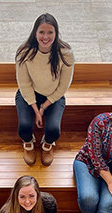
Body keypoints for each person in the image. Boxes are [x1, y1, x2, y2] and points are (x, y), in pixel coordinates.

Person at [15, 13, 74, 166]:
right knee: (24, 127)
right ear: (35, 33)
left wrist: (43, 107)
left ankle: (47, 145)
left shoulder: (65, 54)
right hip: (29, 94)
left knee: (54, 130)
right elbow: (24, 84)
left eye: (50, 32)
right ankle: (28, 144)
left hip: (53, 96)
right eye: (41, 32)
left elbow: (63, 86)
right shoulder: (24, 53)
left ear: (56, 33)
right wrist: (35, 109)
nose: (45, 37)